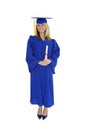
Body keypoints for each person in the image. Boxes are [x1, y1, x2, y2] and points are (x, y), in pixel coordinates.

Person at [26, 17, 60, 120]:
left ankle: (46, 108)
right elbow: (28, 54)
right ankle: (39, 106)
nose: (41, 27)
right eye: (39, 25)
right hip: (36, 68)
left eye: (42, 25)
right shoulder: (32, 40)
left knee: (47, 88)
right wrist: (38, 61)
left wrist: (50, 60)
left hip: (47, 69)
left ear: (46, 26)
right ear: (36, 26)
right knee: (37, 87)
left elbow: (56, 52)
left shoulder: (52, 41)